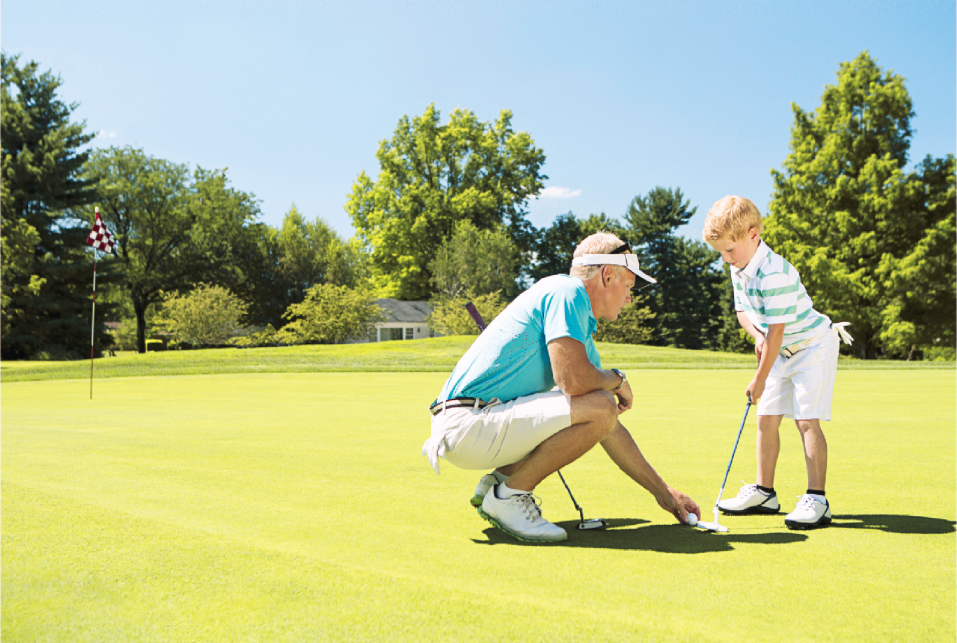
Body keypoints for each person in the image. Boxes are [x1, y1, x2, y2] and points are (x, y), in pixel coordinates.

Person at [421, 231, 701, 543]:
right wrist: (618, 380)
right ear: (608, 274)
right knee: (601, 403)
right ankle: (509, 496)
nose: (629, 297)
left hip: (474, 425)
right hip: (467, 425)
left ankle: (498, 483)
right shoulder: (567, 291)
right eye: (628, 286)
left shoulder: (575, 318)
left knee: (600, 405)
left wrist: (664, 493)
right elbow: (574, 381)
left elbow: (607, 426)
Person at [703, 196, 853, 530]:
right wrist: (756, 335)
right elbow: (743, 312)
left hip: (812, 345)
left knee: (805, 419)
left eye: (729, 250)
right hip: (779, 347)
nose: (726, 258)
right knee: (766, 418)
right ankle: (764, 492)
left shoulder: (775, 273)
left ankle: (818, 499)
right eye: (721, 253)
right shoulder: (738, 267)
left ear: (752, 234)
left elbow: (777, 331)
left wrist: (758, 378)